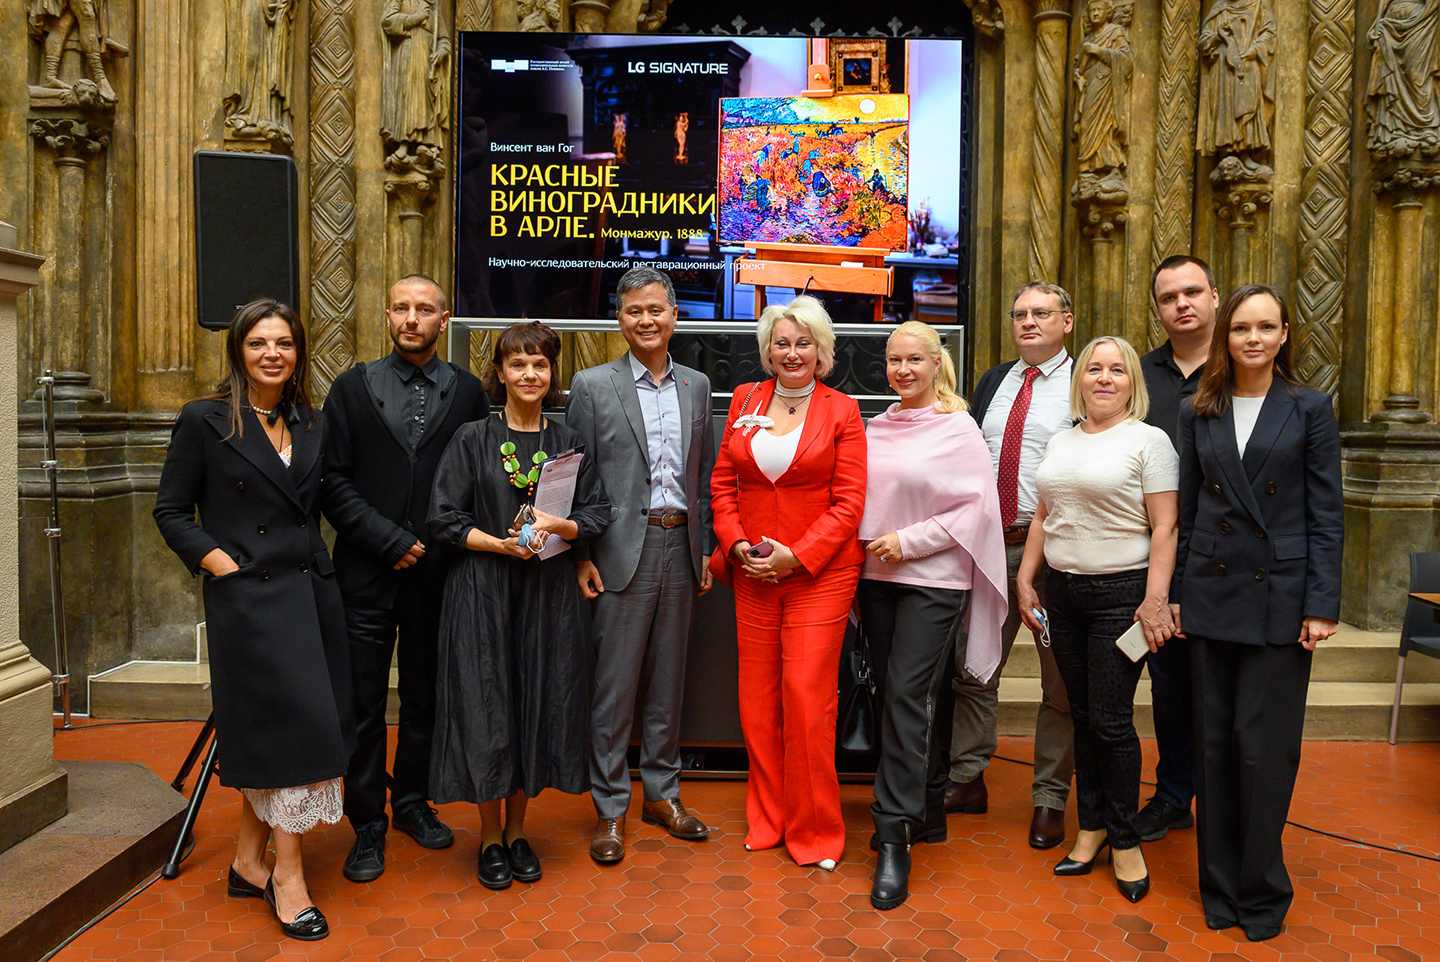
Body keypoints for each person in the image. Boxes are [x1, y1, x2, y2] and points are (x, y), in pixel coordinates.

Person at [153, 300, 352, 941]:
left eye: (285, 343)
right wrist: (222, 565)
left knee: (285, 730)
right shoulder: (204, 421)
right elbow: (172, 512)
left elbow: (327, 502)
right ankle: (287, 878)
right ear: (239, 350)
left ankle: (246, 860)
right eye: (260, 343)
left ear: (298, 353)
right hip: (251, 601)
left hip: (311, 595)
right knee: (295, 735)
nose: (273, 353)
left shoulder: (310, 421)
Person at [1174, 285, 1342, 941]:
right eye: (1241, 327)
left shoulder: (1310, 409)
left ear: (1284, 334)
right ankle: (1218, 884)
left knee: (1265, 750)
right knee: (1213, 748)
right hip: (1213, 597)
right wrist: (1182, 593)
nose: (1252, 338)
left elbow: (1325, 515)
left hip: (1281, 596)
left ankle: (1262, 889)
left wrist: (1321, 604)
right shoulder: (1201, 409)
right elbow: (1190, 513)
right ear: (1226, 335)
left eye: (1265, 327)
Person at [427, 321, 611, 890]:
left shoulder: (569, 442)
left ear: (552, 373)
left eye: (540, 364)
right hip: (482, 589)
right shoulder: (471, 439)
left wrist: (566, 527)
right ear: (500, 372)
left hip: (546, 594)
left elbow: (600, 511)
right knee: (488, 707)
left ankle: (518, 832)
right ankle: (487, 837)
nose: (529, 374)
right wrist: (499, 543)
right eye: (518, 364)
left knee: (536, 700)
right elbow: (443, 519)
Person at [323, 274, 489, 883]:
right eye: (401, 308)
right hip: (366, 571)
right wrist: (387, 538)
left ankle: (412, 802)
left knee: (426, 697)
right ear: (386, 314)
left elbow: (472, 481)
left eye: (424, 309)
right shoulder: (352, 387)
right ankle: (365, 820)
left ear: (444, 319)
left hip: (439, 574)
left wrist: (435, 540)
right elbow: (331, 480)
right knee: (363, 702)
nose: (411, 318)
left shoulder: (468, 392)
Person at [1015, 335, 1179, 904]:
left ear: (1132, 382)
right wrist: (1025, 577)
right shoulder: (1061, 440)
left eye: (1117, 370)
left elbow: (1166, 527)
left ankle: (1125, 838)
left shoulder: (1149, 441)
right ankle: (1090, 828)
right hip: (1062, 595)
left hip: (1121, 597)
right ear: (1079, 380)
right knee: (1080, 715)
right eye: (1094, 370)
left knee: (1110, 721)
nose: (1104, 379)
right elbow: (1044, 512)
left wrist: (1154, 600)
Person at [709, 295, 867, 870]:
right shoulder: (746, 400)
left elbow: (850, 504)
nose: (792, 352)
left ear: (822, 351)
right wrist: (735, 546)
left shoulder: (843, 411)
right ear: (767, 350)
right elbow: (723, 484)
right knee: (757, 702)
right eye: (782, 342)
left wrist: (795, 557)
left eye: (804, 343)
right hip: (752, 573)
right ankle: (768, 817)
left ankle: (816, 829)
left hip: (818, 576)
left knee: (806, 701)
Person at [568, 267, 716, 864]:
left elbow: (700, 477)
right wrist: (580, 554)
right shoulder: (592, 385)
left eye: (656, 309)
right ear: (620, 319)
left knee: (668, 681)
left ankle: (663, 793)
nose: (647, 321)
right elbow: (574, 474)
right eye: (634, 311)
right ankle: (609, 808)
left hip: (680, 546)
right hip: (616, 553)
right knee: (613, 686)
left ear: (674, 315)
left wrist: (704, 547)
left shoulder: (698, 386)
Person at [858, 322, 1008, 909]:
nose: (902, 370)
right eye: (894, 360)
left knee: (905, 694)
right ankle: (927, 809)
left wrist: (909, 541)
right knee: (898, 695)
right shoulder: (878, 426)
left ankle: (894, 831)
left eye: (914, 359)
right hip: (875, 579)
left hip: (932, 579)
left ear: (936, 363)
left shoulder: (959, 428)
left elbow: (976, 509)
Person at [945, 281, 1076, 851]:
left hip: (1055, 554)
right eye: (1020, 313)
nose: (1028, 322)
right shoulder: (995, 381)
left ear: (1066, 322)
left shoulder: (1085, 382)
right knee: (973, 668)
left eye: (1041, 313)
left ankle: (1049, 799)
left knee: (1060, 684)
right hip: (990, 547)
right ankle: (967, 777)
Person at [1134, 254, 1219, 843]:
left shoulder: (1242, 366)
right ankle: (1171, 796)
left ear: (1215, 297)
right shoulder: (1140, 376)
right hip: (1153, 556)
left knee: (1219, 687)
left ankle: (1222, 799)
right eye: (1169, 297)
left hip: (1224, 559)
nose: (1182, 304)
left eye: (1192, 292)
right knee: (1168, 686)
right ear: (1158, 309)